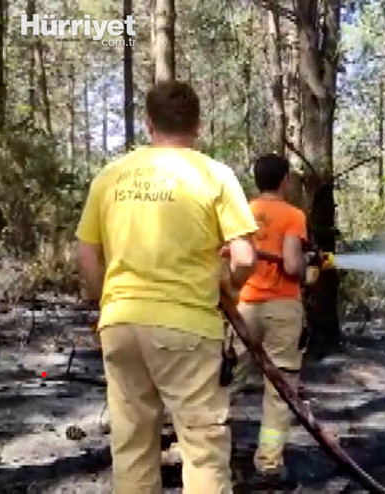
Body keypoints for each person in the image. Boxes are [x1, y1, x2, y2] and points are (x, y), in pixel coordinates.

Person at [75, 81, 258, 494]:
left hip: (120, 325)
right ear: (198, 125)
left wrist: (109, 299)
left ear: (148, 123)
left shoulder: (110, 175)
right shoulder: (214, 174)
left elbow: (86, 257)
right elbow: (245, 257)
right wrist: (228, 286)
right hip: (187, 327)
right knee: (202, 450)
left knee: (133, 448)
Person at [230, 153, 307, 484]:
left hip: (245, 307)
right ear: (285, 180)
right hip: (282, 309)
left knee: (227, 382)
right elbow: (291, 266)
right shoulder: (292, 215)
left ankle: (210, 455)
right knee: (280, 391)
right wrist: (308, 268)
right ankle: (269, 464)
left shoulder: (241, 212)